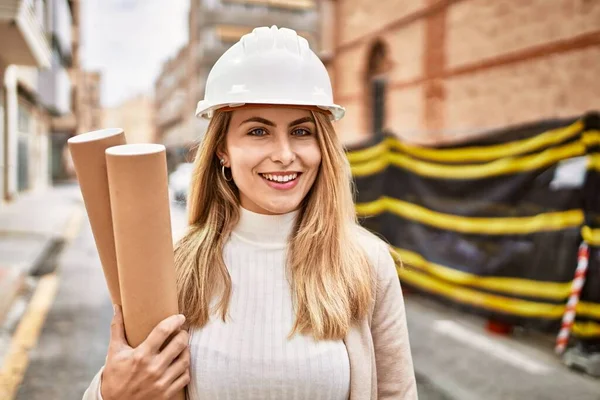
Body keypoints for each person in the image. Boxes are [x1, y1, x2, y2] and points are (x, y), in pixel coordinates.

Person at [83, 26, 417, 400]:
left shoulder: (367, 263)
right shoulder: (176, 265)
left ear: (322, 145)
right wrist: (108, 393)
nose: (285, 154)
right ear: (222, 150)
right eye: (258, 131)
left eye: (302, 131)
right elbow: (125, 382)